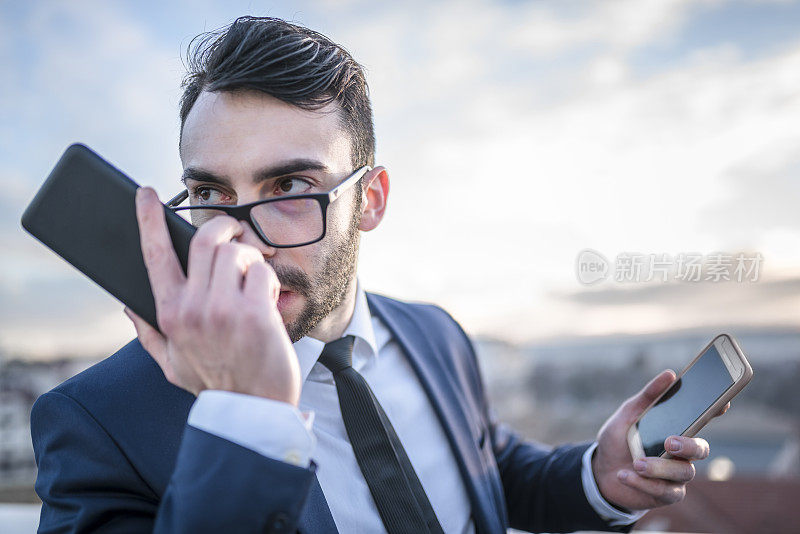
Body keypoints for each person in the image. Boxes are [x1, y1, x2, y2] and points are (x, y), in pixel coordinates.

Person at [31, 16, 721, 534]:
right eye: (210, 195)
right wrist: (246, 418)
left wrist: (595, 479)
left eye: (290, 185)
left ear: (372, 199)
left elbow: (487, 470)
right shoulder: (98, 420)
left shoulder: (433, 333)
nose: (240, 241)